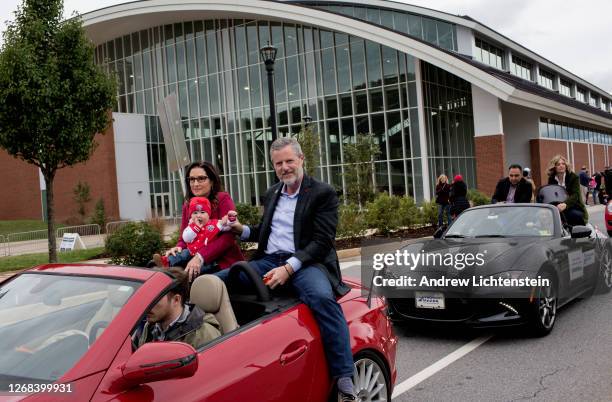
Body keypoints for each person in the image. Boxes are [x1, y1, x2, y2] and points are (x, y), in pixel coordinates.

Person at [221, 137, 356, 401]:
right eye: (278, 163)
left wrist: (289, 269)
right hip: (269, 260)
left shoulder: (322, 192)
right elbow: (264, 232)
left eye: (289, 161)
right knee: (218, 282)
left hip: (307, 262)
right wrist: (241, 230)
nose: (284, 167)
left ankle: (344, 375)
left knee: (321, 299)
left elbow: (322, 241)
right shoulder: (272, 193)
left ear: (301, 159)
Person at [163, 162, 244, 281]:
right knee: (167, 277)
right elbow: (183, 238)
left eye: (201, 178)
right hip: (192, 259)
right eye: (192, 179)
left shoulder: (222, 199)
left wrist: (200, 257)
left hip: (222, 262)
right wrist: (178, 248)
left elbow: (229, 237)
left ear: (211, 181)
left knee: (187, 279)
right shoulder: (188, 205)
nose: (195, 183)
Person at [134, 267, 221, 349]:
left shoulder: (203, 334)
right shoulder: (149, 327)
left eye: (155, 299)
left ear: (176, 299)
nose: (147, 304)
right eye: (146, 297)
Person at [154, 197, 231, 269]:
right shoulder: (191, 226)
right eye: (195, 213)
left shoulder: (215, 223)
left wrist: (228, 221)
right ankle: (166, 262)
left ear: (208, 214)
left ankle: (189, 275)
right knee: (180, 255)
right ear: (191, 216)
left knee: (204, 267)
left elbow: (228, 228)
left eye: (202, 212)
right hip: (190, 251)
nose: (198, 215)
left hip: (206, 255)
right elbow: (186, 238)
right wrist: (195, 228)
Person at [547, 155, 588, 226]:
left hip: (573, 205)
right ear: (554, 167)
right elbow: (551, 194)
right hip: (557, 206)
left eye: (563, 164)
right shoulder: (551, 178)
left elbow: (575, 195)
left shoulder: (574, 177)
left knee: (573, 215)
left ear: (566, 165)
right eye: (558, 164)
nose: (561, 166)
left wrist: (565, 204)